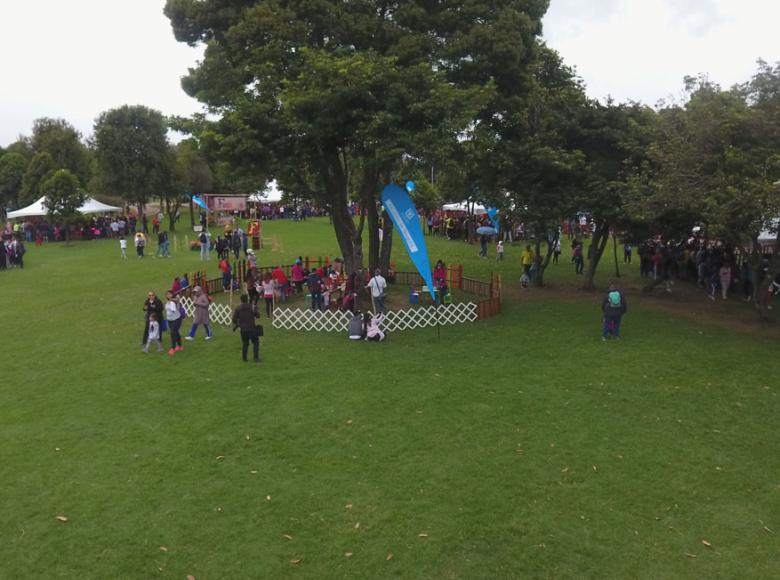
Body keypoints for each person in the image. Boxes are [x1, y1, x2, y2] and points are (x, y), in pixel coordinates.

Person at [232, 294, 261, 362]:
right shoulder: (252, 307)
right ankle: (256, 358)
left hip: (243, 330)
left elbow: (234, 320)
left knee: (245, 344)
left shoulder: (238, 308)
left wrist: (238, 324)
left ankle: (244, 359)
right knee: (256, 343)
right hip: (252, 328)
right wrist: (255, 310)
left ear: (241, 300)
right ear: (247, 299)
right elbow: (258, 316)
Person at [164, 290, 184, 355]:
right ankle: (180, 346)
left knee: (173, 333)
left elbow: (173, 310)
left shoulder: (173, 302)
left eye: (169, 294)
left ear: (172, 295)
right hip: (170, 320)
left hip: (176, 320)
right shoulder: (168, 302)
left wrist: (171, 305)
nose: (168, 295)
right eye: (167, 294)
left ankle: (173, 348)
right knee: (176, 332)